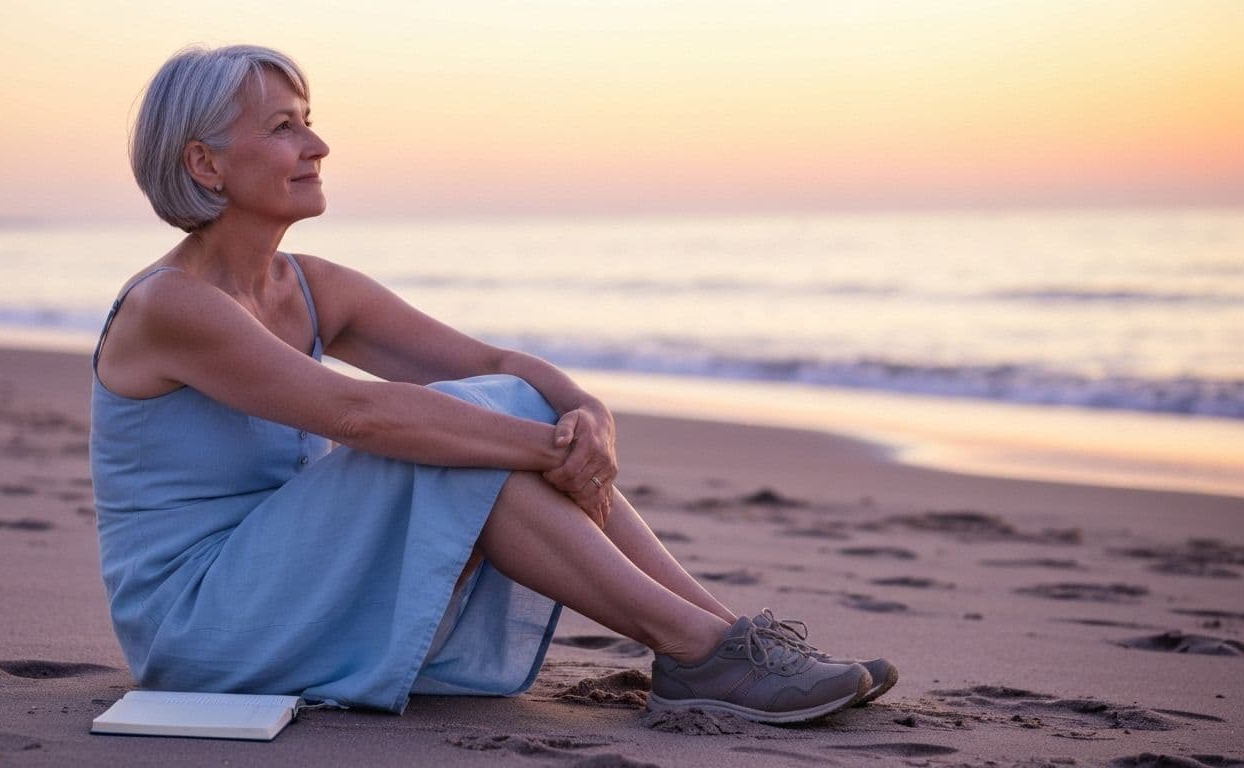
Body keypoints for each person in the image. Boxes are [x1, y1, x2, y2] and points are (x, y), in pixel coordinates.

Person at [90, 44, 895, 724]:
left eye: (309, 119)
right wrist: (547, 450)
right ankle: (697, 651)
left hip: (289, 579)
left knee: (495, 412)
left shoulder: (311, 286)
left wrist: (588, 414)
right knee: (460, 438)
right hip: (197, 627)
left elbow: (498, 367)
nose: (318, 144)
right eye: (283, 127)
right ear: (205, 163)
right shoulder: (174, 307)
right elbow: (362, 415)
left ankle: (728, 643)